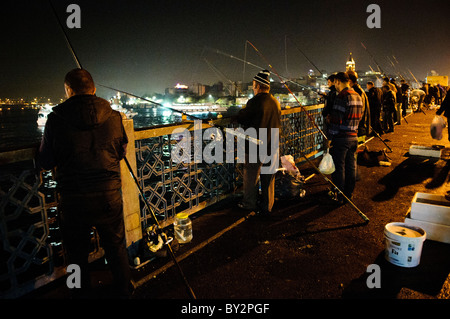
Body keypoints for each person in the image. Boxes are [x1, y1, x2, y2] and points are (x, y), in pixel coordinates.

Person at [38, 68, 133, 298]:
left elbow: (45, 160)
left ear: (68, 90)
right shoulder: (114, 116)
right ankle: (125, 289)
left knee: (75, 255)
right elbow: (121, 151)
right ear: (94, 89)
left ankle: (78, 293)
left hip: (73, 200)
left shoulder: (55, 119)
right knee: (116, 246)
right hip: (109, 195)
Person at [236, 70, 281, 215]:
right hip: (272, 144)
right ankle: (267, 206)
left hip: (256, 145)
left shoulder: (255, 101)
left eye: (254, 86)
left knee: (251, 176)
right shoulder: (275, 102)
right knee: (268, 176)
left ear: (258, 86)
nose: (253, 89)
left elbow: (243, 118)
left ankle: (249, 203)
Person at [327, 72, 363, 204]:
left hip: (341, 138)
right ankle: (349, 194)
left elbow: (337, 121)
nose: (334, 86)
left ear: (337, 82)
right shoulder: (357, 95)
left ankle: (339, 195)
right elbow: (360, 115)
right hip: (354, 136)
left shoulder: (342, 96)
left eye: (335, 83)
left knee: (339, 168)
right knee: (351, 166)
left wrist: (330, 137)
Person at [347, 70, 371, 139]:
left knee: (358, 145)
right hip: (361, 125)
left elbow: (360, 110)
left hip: (359, 126)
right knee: (359, 145)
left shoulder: (356, 91)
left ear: (350, 81)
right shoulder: (359, 90)